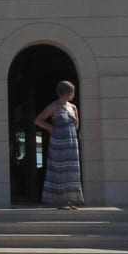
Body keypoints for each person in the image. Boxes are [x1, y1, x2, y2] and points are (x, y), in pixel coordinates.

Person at [35, 80, 83, 210]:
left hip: (71, 143)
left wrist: (71, 134)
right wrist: (51, 128)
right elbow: (38, 120)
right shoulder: (53, 106)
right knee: (60, 170)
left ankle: (71, 200)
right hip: (58, 143)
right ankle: (61, 201)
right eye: (72, 92)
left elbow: (76, 125)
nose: (74, 95)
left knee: (72, 171)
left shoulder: (73, 107)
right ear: (67, 93)